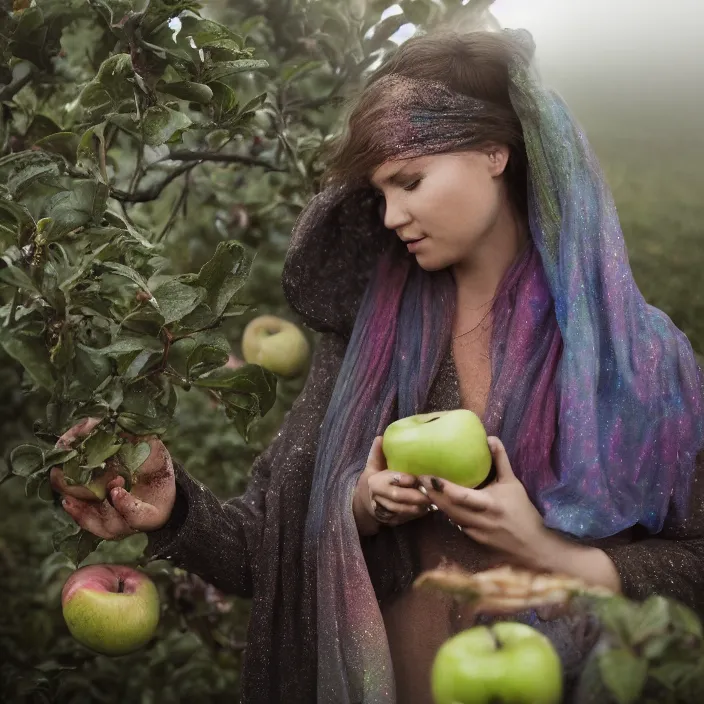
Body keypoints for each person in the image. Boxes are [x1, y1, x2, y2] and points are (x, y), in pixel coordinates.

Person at [50, 28, 704, 704]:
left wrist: (552, 552)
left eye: (410, 182)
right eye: (380, 193)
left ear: (492, 153)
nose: (392, 215)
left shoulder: (636, 360)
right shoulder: (368, 347)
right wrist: (332, 512)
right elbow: (262, 550)